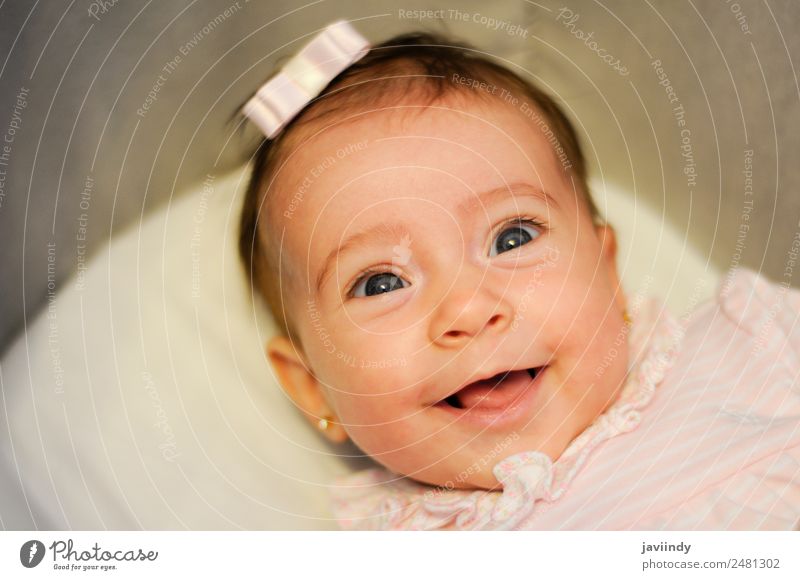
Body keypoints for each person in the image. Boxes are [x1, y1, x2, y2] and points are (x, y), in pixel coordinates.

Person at [238, 21, 800, 530]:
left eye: (513, 238)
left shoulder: (751, 344)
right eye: (381, 283)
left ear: (607, 271)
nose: (468, 309)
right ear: (313, 388)